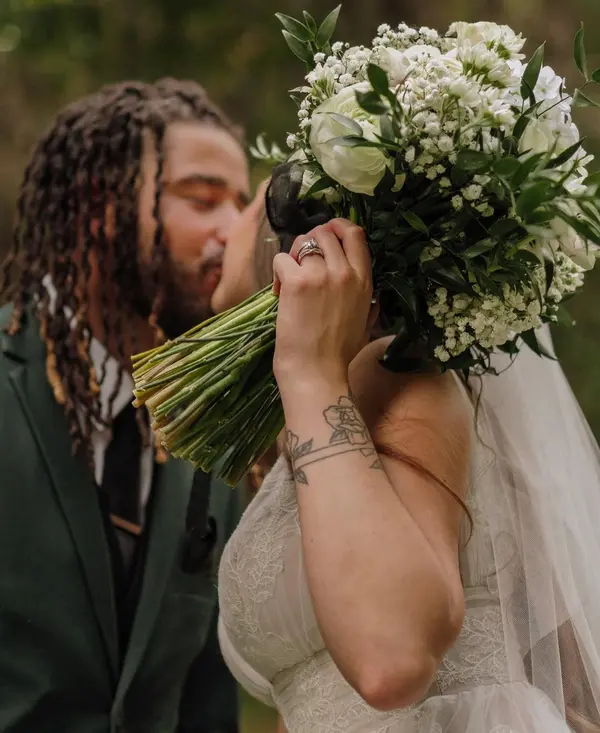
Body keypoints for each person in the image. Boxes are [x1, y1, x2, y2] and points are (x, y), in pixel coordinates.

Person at [212, 181, 600, 733]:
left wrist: (310, 374)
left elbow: (389, 661)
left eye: (242, 201)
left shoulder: (393, 377)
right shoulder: (321, 413)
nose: (224, 226)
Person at [0, 79, 249, 733]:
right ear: (98, 205)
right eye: (203, 200)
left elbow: (207, 701)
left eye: (241, 204)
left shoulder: (212, 433)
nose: (233, 231)